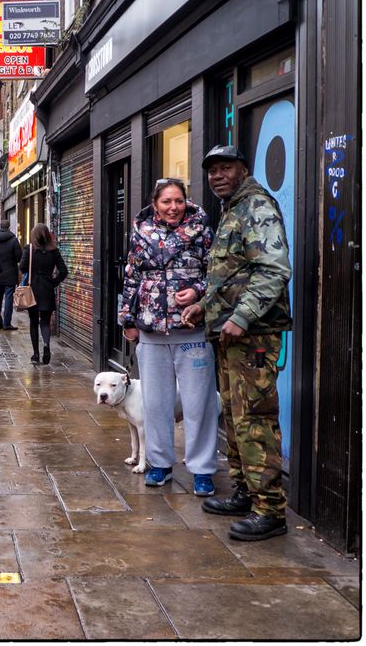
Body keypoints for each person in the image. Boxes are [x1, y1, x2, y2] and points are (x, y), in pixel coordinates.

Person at [183, 145, 292, 542]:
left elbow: (274, 270)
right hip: (229, 335)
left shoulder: (256, 206)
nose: (217, 176)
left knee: (255, 419)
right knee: (233, 416)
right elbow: (230, 277)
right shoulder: (232, 210)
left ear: (243, 169)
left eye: (225, 168)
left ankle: (271, 511)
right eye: (211, 171)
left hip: (253, 337)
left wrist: (242, 317)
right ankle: (246, 492)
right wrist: (203, 305)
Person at [118, 178, 219, 497]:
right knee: (156, 403)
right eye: (166, 201)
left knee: (198, 403)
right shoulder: (140, 230)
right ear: (155, 202)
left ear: (186, 201)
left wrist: (199, 291)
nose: (173, 207)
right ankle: (159, 464)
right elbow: (131, 275)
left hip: (192, 328)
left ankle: (202, 469)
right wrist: (127, 318)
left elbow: (214, 272)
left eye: (178, 200)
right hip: (151, 329)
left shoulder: (202, 229)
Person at [18, 224, 68, 364]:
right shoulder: (54, 251)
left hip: (32, 290)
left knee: (34, 322)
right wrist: (53, 282)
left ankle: (35, 355)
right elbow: (63, 271)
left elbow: (22, 268)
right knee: (45, 322)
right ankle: (46, 344)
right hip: (47, 290)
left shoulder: (29, 249)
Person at [0, 225, 22, 330]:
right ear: (8, 227)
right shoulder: (13, 240)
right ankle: (7, 323)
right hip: (10, 274)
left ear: (0, 227)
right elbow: (19, 257)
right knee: (9, 299)